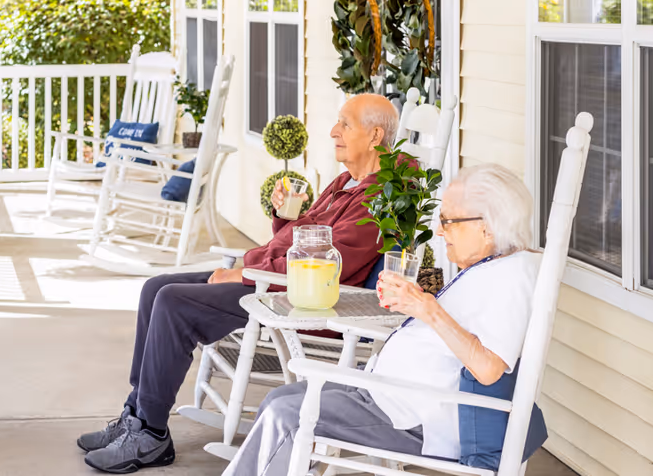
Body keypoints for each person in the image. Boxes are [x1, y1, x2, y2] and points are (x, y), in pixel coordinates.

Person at [78, 93, 400, 474]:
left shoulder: (378, 200)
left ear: (375, 135)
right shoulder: (346, 183)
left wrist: (245, 273)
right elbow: (302, 241)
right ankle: (136, 413)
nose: (333, 132)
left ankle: (150, 434)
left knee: (172, 302)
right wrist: (286, 215)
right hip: (274, 282)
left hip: (298, 303)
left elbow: (325, 265)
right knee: (155, 288)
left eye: (345, 124)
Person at [223, 163, 540, 476]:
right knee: (279, 398)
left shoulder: (511, 277)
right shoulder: (488, 268)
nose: (440, 230)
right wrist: (415, 306)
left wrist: (427, 308)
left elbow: (488, 369)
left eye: (448, 221)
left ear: (487, 226)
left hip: (412, 415)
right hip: (385, 392)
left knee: (287, 415)